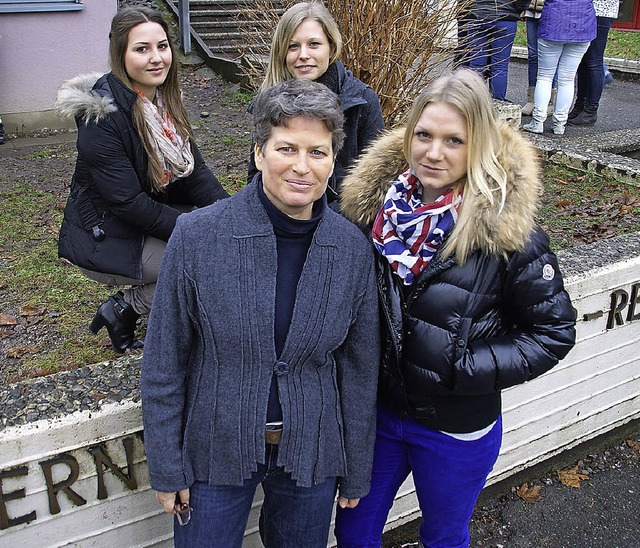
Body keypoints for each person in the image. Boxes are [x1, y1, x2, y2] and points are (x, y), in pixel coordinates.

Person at [335, 68, 576, 547]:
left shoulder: (508, 236)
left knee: (444, 536)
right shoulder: (370, 213)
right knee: (354, 532)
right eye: (423, 135)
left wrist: (463, 368)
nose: (434, 152)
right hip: (379, 417)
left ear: (478, 145)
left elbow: (553, 332)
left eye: (453, 140)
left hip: (455, 428)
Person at [141, 78, 380, 547]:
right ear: (258, 152)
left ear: (334, 160)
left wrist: (355, 469)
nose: (301, 166)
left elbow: (358, 369)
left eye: (318, 151)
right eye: (286, 148)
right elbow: (165, 360)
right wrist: (167, 467)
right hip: (214, 445)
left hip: (312, 451)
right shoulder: (197, 237)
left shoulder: (352, 248)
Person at [55, 6, 228, 353]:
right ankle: (125, 308)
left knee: (225, 238)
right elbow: (127, 203)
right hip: (105, 236)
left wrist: (231, 213)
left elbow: (194, 174)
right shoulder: (101, 117)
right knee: (209, 257)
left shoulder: (161, 101)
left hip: (140, 221)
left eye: (162, 46)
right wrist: (200, 230)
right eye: (142, 49)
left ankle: (164, 313)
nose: (156, 58)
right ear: (121, 53)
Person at [246, 1, 384, 203]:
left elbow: (377, 183)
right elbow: (255, 178)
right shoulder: (268, 102)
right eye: (293, 46)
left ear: (331, 46)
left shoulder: (362, 101)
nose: (303, 55)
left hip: (344, 222)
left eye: (314, 44)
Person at [522, 0, 596, 135]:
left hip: (553, 21)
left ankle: (537, 121)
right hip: (583, 24)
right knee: (567, 78)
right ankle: (560, 124)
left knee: (544, 76)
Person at [569, 0, 620, 126]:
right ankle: (580, 106)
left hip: (601, 11)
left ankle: (590, 111)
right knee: (583, 61)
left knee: (594, 61)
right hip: (586, 9)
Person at [466, 0, 528, 101]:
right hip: (506, 17)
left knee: (476, 66)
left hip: (479, 14)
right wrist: (517, 8)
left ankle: (473, 102)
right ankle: (498, 104)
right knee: (500, 67)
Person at [521, 0, 557, 116]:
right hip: (531, 10)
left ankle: (549, 102)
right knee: (533, 55)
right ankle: (531, 99)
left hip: (551, 11)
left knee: (550, 57)